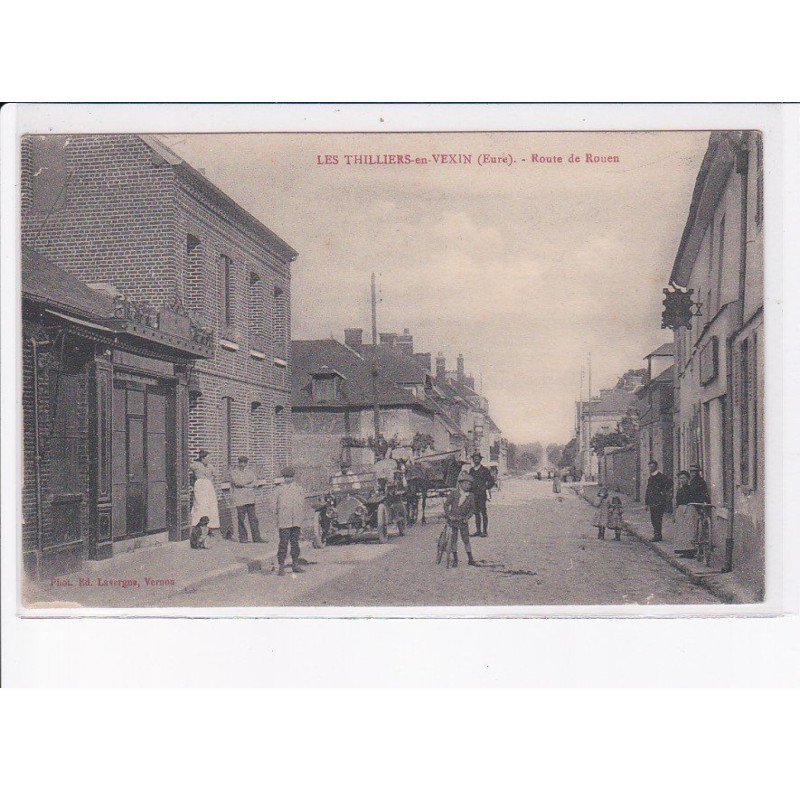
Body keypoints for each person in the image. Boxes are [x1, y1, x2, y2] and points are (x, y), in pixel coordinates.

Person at [273, 466, 308, 576]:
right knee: (283, 543)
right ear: (283, 478)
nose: (288, 479)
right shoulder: (278, 489)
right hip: (284, 520)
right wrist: (278, 514)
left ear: (293, 477)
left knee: (295, 543)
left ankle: (295, 564)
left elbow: (302, 504)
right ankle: (281, 566)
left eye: (290, 477)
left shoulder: (298, 488)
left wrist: (300, 517)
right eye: (286, 477)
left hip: (296, 521)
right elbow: (272, 504)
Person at [443, 473, 478, 567]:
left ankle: (470, 559)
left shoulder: (471, 496)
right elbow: (446, 504)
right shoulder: (454, 493)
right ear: (460, 484)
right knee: (454, 540)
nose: (468, 486)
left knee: (466, 540)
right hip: (453, 520)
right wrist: (449, 515)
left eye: (470, 484)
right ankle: (455, 559)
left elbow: (472, 509)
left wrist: (467, 518)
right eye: (466, 483)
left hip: (463, 521)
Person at [230, 456, 264, 543]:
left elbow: (255, 483)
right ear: (238, 463)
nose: (243, 464)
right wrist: (249, 483)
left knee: (253, 519)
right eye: (241, 462)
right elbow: (237, 482)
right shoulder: (234, 472)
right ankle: (243, 538)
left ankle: (257, 538)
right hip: (240, 499)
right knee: (241, 519)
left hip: (250, 498)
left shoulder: (250, 472)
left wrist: (245, 484)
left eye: (245, 462)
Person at [190, 449, 220, 542]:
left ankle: (209, 527)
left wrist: (210, 479)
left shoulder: (210, 466)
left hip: (208, 486)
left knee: (210, 505)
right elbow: (188, 470)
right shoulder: (196, 465)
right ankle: (198, 526)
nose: (208, 460)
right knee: (200, 505)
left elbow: (215, 475)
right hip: (199, 486)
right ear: (202, 458)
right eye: (207, 458)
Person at [468, 452, 495, 537]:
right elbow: (469, 481)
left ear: (480, 459)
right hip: (473, 494)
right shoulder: (471, 470)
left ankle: (485, 531)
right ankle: (478, 531)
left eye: (477, 458)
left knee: (483, 512)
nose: (476, 460)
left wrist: (486, 487)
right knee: (476, 513)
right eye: (474, 458)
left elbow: (491, 481)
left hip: (482, 494)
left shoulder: (485, 470)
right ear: (473, 460)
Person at [644, 459, 670, 542]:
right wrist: (646, 503)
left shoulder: (661, 477)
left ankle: (658, 535)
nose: (650, 468)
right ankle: (656, 534)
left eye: (652, 466)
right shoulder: (650, 478)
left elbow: (669, 484)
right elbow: (648, 491)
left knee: (658, 518)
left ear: (656, 467)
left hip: (659, 501)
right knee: (653, 518)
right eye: (649, 467)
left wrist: (663, 494)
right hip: (652, 502)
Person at [673, 470, 695, 557]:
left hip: (689, 509)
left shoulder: (691, 489)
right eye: (680, 478)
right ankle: (683, 550)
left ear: (688, 479)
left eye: (684, 478)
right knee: (681, 531)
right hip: (680, 510)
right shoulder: (679, 490)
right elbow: (678, 502)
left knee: (688, 531)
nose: (682, 480)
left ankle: (690, 551)